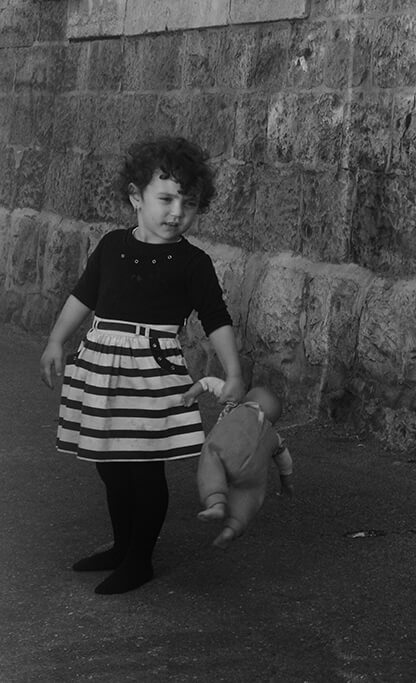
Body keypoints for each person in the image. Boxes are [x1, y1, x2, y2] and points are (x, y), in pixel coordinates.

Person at [39, 136, 246, 595]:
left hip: (152, 373)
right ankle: (122, 544)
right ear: (137, 198)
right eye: (166, 199)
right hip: (101, 368)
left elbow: (216, 319)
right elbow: (82, 297)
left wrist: (232, 373)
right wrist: (57, 339)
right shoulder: (112, 246)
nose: (177, 212)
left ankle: (139, 559)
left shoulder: (193, 263)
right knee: (110, 463)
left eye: (188, 204)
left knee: (143, 466)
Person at [181, 377, 294, 549]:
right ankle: (233, 527)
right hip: (253, 471)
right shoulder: (274, 437)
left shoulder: (236, 404)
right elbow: (286, 462)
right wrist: (286, 485)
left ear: (248, 400)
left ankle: (216, 502)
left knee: (211, 456)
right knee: (249, 496)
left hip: (228, 450)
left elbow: (210, 382)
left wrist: (193, 392)